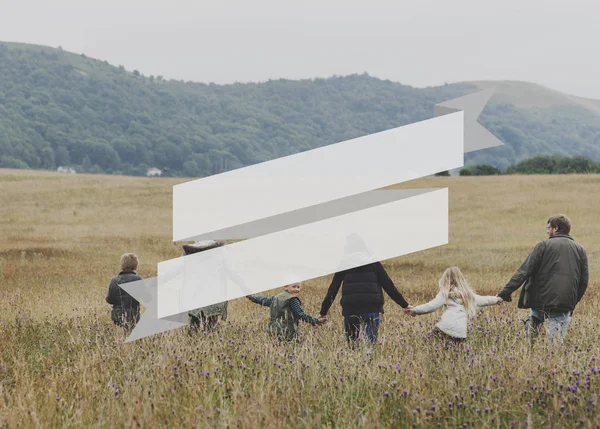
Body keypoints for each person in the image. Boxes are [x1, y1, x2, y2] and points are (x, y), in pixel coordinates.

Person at [497, 214, 589, 345]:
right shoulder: (580, 250)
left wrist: (504, 293)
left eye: (548, 228)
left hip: (540, 301)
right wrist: (572, 301)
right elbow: (584, 281)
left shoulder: (543, 245)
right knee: (555, 346)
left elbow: (524, 271)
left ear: (555, 228)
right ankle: (553, 363)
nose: (547, 231)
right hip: (564, 302)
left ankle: (528, 355)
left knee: (529, 339)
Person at [319, 262, 410, 345]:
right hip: (371, 308)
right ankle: (370, 361)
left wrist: (323, 312)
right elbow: (388, 285)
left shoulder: (344, 264)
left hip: (351, 309)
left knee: (352, 347)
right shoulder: (374, 263)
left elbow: (333, 290)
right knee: (370, 346)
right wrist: (405, 305)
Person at [405, 267, 501, 345]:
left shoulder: (445, 293)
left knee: (428, 346)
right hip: (460, 331)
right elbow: (484, 300)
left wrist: (415, 310)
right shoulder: (467, 294)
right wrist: (497, 299)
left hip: (444, 327)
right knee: (455, 356)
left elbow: (432, 306)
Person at [247, 282, 326, 342]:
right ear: (285, 286)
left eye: (298, 287)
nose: (296, 289)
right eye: (294, 286)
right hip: (287, 332)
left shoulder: (277, 297)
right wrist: (316, 321)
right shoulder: (293, 300)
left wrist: (253, 297)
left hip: (273, 330)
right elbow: (300, 314)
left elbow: (264, 300)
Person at [182, 240, 229, 335]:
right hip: (213, 294)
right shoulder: (220, 251)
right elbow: (230, 270)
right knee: (211, 323)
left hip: (198, 293)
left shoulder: (191, 250)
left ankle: (193, 341)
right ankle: (206, 337)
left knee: (195, 322)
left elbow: (178, 267)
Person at [106, 253, 143, 334]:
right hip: (133, 316)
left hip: (117, 315)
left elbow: (109, 300)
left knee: (121, 334)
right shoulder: (138, 279)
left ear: (121, 266)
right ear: (135, 266)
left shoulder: (114, 280)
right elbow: (147, 298)